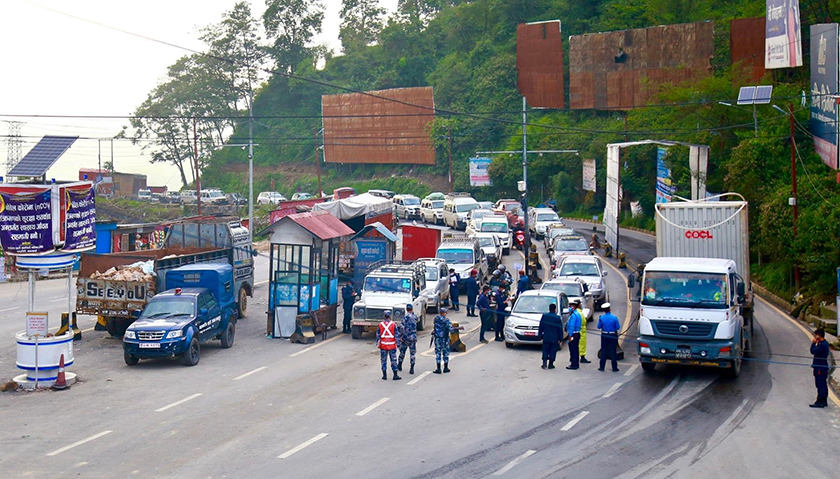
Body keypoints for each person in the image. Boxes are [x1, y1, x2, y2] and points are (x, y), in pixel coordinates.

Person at [376, 311, 401, 381]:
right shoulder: (393, 324)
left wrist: (378, 344)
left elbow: (378, 335)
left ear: (384, 316)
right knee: (393, 360)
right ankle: (395, 374)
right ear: (390, 316)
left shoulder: (380, 324)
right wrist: (398, 345)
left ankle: (384, 375)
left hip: (383, 345)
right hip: (391, 345)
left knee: (383, 360)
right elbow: (396, 335)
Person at [538, 303, 564, 369]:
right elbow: (560, 329)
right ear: (555, 310)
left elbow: (541, 326)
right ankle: (551, 364)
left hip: (546, 337)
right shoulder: (557, 318)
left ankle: (544, 364)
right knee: (553, 351)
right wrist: (561, 338)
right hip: (555, 338)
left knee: (545, 350)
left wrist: (540, 335)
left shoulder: (545, 316)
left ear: (549, 309)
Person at [597, 303, 621, 372]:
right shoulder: (614, 318)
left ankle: (602, 367)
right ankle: (614, 367)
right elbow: (617, 327)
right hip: (612, 335)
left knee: (604, 350)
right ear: (610, 309)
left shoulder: (601, 317)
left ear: (604, 310)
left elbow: (599, 327)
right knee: (613, 351)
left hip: (604, 335)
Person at [810, 328, 830, 408]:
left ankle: (820, 401)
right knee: (823, 384)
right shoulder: (824, 343)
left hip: (820, 367)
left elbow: (813, 351)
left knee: (820, 384)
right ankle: (824, 400)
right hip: (822, 366)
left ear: (818, 335)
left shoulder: (822, 345)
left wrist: (813, 344)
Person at [397, 303, 418, 375]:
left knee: (402, 352)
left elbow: (402, 328)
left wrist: (401, 336)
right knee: (412, 353)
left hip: (406, 337)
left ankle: (399, 365)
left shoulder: (405, 318)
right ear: (412, 309)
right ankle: (412, 367)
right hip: (413, 337)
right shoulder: (415, 316)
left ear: (406, 309)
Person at [432, 307, 452, 374]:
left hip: (437, 338)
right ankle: (445, 368)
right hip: (445, 338)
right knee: (445, 352)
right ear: (444, 313)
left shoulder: (436, 319)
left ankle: (438, 368)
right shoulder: (446, 320)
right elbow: (450, 329)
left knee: (438, 353)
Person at [566, 299, 582, 370]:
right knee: (576, 349)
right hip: (577, 334)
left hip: (573, 334)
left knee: (573, 349)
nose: (570, 307)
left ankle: (574, 364)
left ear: (574, 307)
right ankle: (576, 363)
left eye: (571, 306)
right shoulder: (577, 314)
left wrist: (569, 335)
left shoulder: (573, 315)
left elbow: (572, 326)